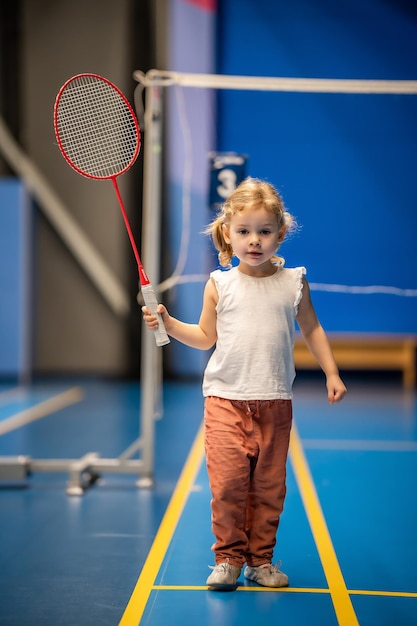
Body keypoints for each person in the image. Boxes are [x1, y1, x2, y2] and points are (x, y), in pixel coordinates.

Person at [142, 177, 347, 591]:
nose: (254, 240)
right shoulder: (220, 284)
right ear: (227, 234)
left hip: (275, 403)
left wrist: (331, 372)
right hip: (225, 401)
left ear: (280, 234)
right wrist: (167, 322)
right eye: (244, 231)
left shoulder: (294, 282)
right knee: (228, 484)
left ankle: (260, 561)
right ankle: (228, 559)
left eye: (264, 231)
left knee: (269, 489)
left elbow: (312, 327)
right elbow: (204, 337)